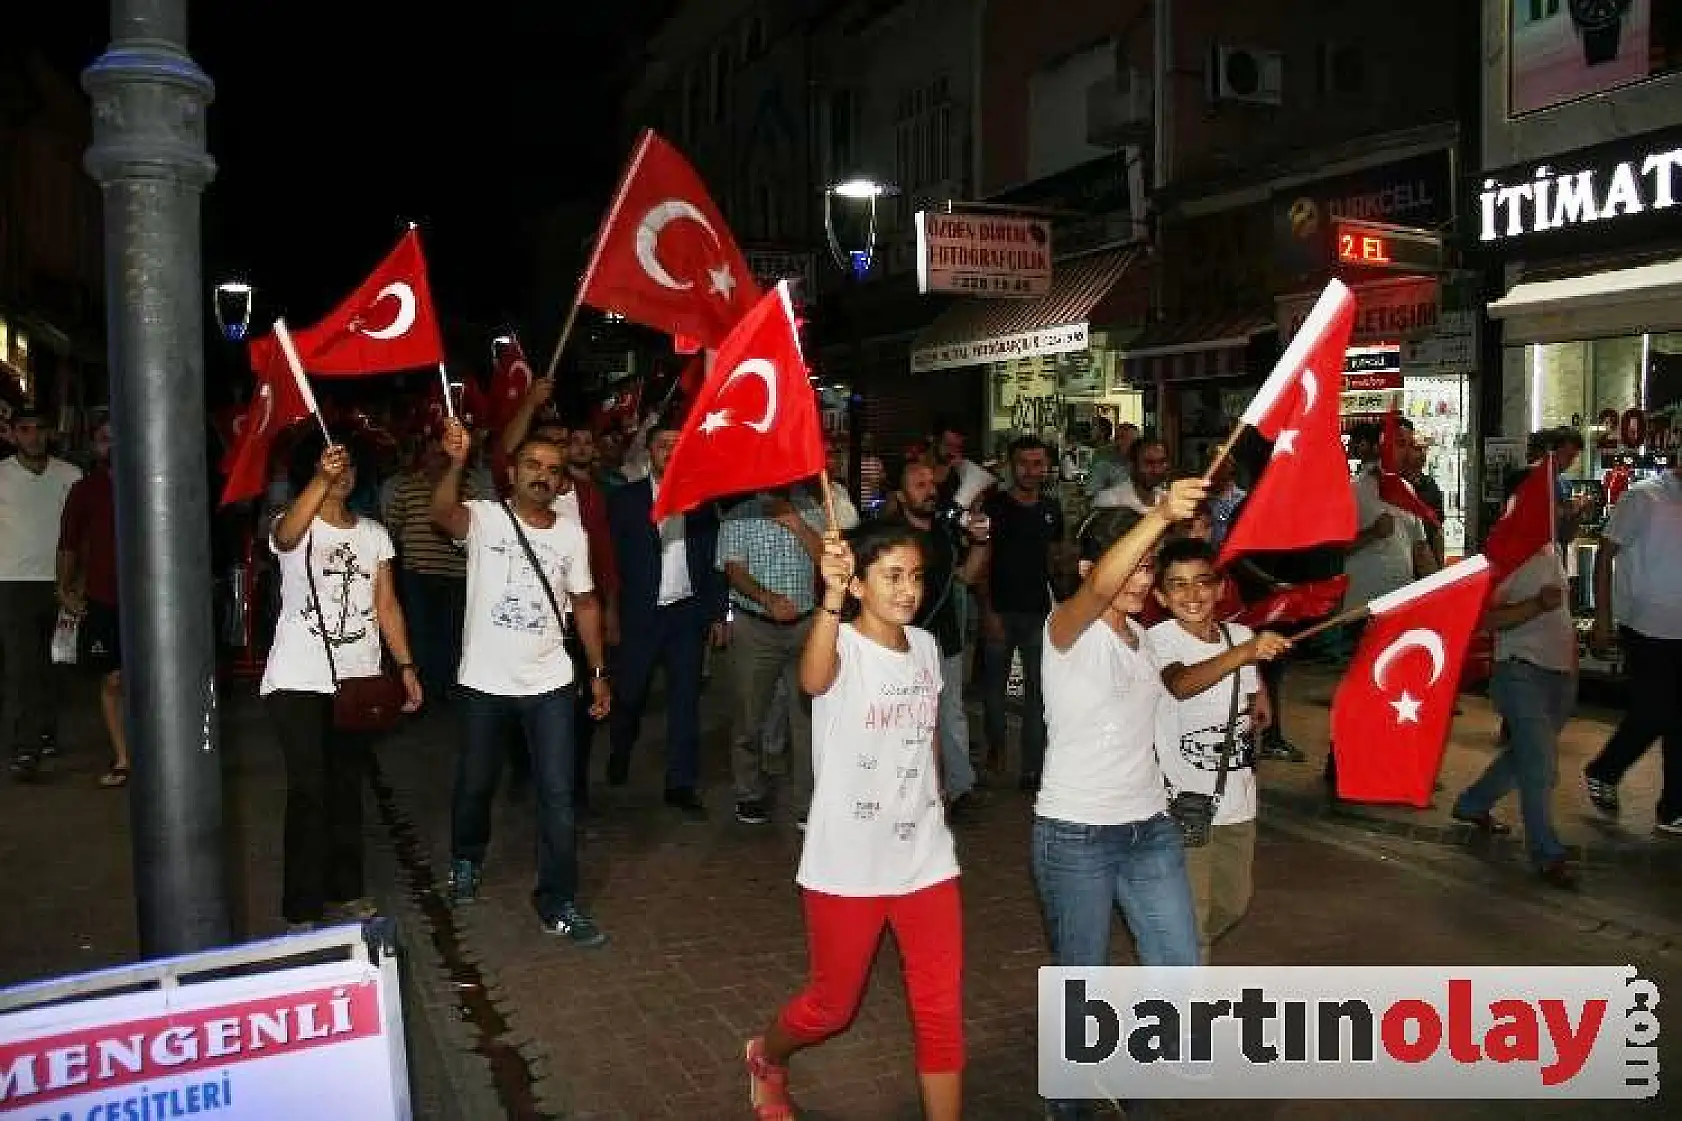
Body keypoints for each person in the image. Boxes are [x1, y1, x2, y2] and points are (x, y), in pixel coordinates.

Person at [743, 524, 963, 1121]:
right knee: (831, 1008)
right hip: (848, 860)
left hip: (925, 856)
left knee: (940, 1013)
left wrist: (935, 800)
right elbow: (813, 681)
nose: (908, 589)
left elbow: (928, 740)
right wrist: (829, 597)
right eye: (892, 576)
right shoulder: (836, 642)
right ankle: (767, 1056)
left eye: (916, 575)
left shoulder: (924, 647)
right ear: (860, 584)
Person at [1032, 484, 1205, 1120]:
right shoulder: (1066, 630)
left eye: (1149, 564)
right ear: (1091, 570)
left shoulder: (1147, 640)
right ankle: (1069, 1106)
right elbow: (1098, 590)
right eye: (1133, 562)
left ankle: (1127, 1073)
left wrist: (1249, 667)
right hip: (1076, 834)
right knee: (1084, 983)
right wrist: (1158, 515)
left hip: (1148, 830)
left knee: (1179, 971)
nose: (1144, 576)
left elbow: (1184, 687)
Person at [432, 420, 614, 943]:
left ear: (562, 485)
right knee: (475, 783)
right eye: (532, 465)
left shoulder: (571, 535)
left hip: (551, 682)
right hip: (484, 683)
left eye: (553, 472)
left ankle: (558, 899)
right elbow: (441, 513)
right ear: (511, 472)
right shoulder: (485, 519)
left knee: (557, 796)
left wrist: (598, 672)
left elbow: (584, 602)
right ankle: (466, 858)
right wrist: (457, 461)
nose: (542, 476)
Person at [263, 437, 423, 930]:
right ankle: (301, 906)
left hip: (358, 676)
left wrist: (406, 666)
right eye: (333, 464)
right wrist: (320, 481)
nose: (343, 473)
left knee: (347, 786)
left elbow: (387, 604)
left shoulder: (374, 533)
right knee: (308, 787)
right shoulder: (292, 521)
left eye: (350, 466)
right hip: (297, 677)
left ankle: (346, 887)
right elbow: (287, 538)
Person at [1149, 537, 1289, 958]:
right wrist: (1246, 653)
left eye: (1202, 582)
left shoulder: (1239, 635)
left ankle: (1170, 952)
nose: (1193, 595)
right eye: (1178, 585)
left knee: (1233, 902)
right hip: (1184, 803)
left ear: (1221, 587)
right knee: (1195, 914)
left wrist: (1259, 692)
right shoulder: (1159, 639)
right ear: (1160, 595)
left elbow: (1249, 690)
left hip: (1237, 802)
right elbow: (1181, 684)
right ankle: (1185, 1006)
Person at [604, 417, 728, 815]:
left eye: (678, 445)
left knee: (685, 702)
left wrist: (718, 614)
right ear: (649, 453)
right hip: (640, 615)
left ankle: (681, 782)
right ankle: (621, 748)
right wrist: (611, 612)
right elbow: (610, 562)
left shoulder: (702, 502)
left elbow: (714, 562)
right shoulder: (626, 500)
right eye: (663, 446)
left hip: (686, 617)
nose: (671, 452)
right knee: (630, 695)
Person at [1452, 521, 1578, 888]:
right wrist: (1536, 605)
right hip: (1520, 672)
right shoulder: (1508, 560)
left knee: (1524, 755)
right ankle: (1546, 852)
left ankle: (1473, 803)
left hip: (1559, 676)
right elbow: (1485, 619)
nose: (1568, 506)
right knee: (1539, 763)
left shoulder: (1552, 550)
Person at [877, 460, 992, 815]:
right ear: (900, 495)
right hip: (902, 642)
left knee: (950, 716)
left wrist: (981, 542)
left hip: (944, 638)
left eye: (931, 484)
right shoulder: (891, 538)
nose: (930, 491)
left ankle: (959, 789)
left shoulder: (945, 532)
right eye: (919, 485)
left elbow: (968, 577)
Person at [1584, 456, 1682, 834]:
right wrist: (1603, 617)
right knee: (1654, 711)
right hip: (1646, 626)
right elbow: (1605, 554)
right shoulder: (1644, 497)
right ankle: (1606, 769)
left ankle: (1673, 807)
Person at [977, 436, 1063, 791]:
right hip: (999, 609)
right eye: (1024, 463)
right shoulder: (994, 507)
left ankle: (1032, 769)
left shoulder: (1051, 508)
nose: (1031, 470)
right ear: (1012, 466)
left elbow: (1056, 561)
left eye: (1038, 463)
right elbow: (981, 562)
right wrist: (987, 610)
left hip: (1038, 614)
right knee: (993, 690)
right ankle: (996, 749)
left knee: (1037, 695)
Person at [1, 406, 81, 778]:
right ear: (13, 434)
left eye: (39, 429)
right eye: (25, 429)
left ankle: (46, 730)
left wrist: (77, 583)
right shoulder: (2, 475)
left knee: (57, 664)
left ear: (49, 433)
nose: (33, 436)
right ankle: (24, 749)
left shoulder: (70, 475)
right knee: (21, 669)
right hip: (12, 584)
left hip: (60, 583)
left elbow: (83, 533)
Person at [56, 417, 128, 787]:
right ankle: (123, 757)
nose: (112, 445)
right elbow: (68, 543)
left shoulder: (150, 483)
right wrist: (64, 589)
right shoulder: (85, 490)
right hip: (103, 597)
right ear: (94, 446)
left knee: (148, 679)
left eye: (118, 437)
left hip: (151, 602)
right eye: (103, 439)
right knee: (113, 679)